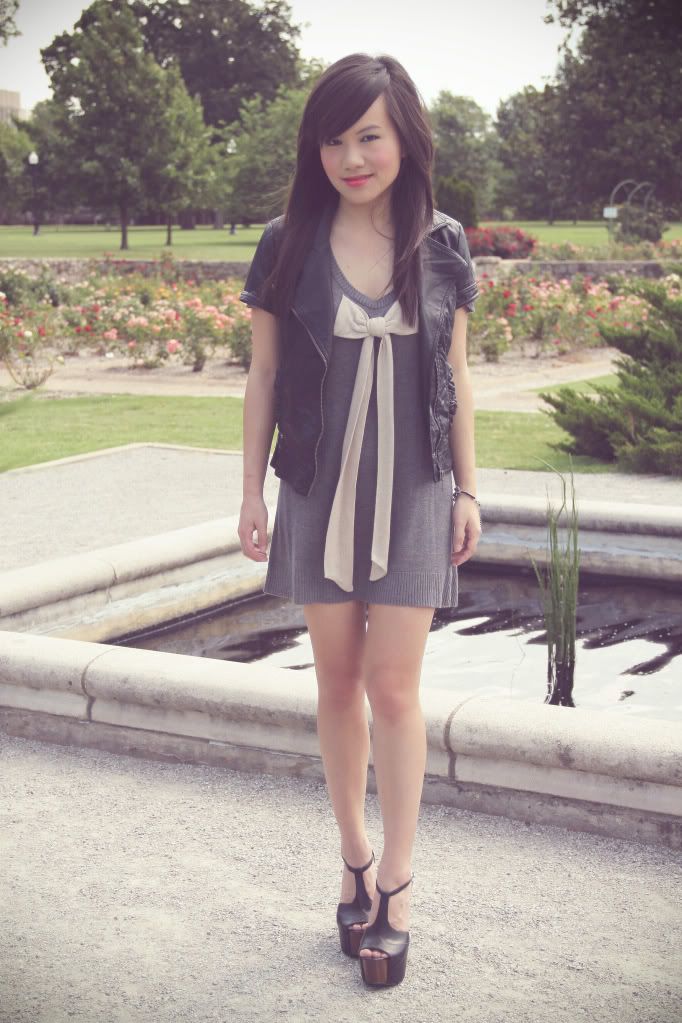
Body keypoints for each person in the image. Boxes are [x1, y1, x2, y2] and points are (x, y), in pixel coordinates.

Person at [238, 52, 482, 988]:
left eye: (368, 136)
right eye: (333, 139)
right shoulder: (287, 240)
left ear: (404, 137)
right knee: (336, 680)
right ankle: (353, 859)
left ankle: (399, 885)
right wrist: (251, 491)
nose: (351, 158)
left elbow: (457, 378)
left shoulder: (443, 243)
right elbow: (263, 375)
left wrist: (468, 490)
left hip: (415, 487)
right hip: (316, 484)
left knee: (395, 689)